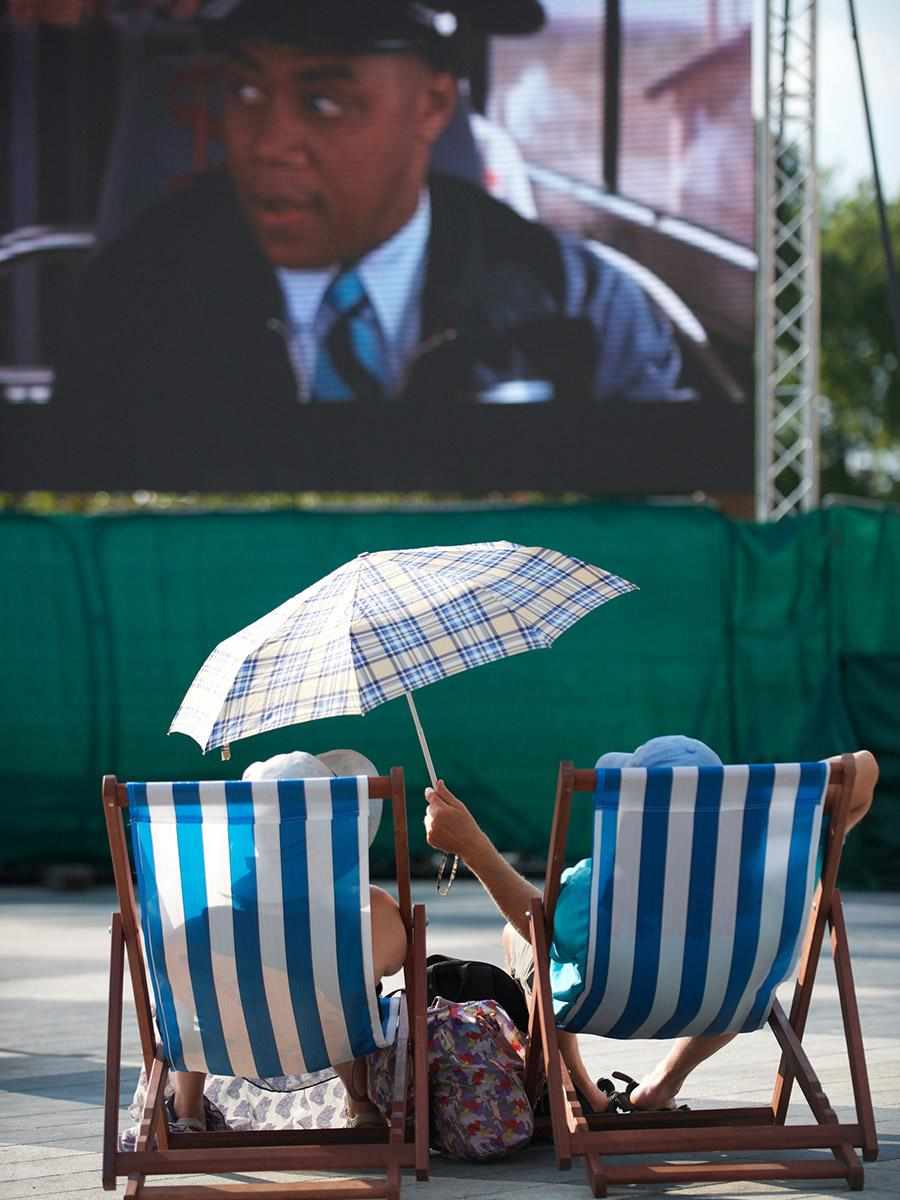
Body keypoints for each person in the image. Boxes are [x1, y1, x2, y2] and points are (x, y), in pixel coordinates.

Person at [55, 0, 685, 482]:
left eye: (324, 103)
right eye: (246, 93)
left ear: (432, 107)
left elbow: (656, 542)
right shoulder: (134, 299)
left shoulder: (581, 311)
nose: (268, 144)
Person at [423, 736, 879, 1114]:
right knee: (728, 966)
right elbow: (864, 767)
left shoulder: (598, 886)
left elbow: (535, 926)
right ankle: (662, 1085)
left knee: (523, 940)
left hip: (608, 1006)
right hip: (733, 1004)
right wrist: (780, 792)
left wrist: (472, 845)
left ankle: (583, 1092)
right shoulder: (774, 872)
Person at [133, 747, 406, 1142]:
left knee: (187, 999)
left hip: (227, 1043)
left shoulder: (200, 927)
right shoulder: (369, 910)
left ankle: (187, 1110)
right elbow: (395, 962)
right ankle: (362, 1104)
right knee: (350, 999)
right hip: (326, 1038)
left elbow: (168, 974)